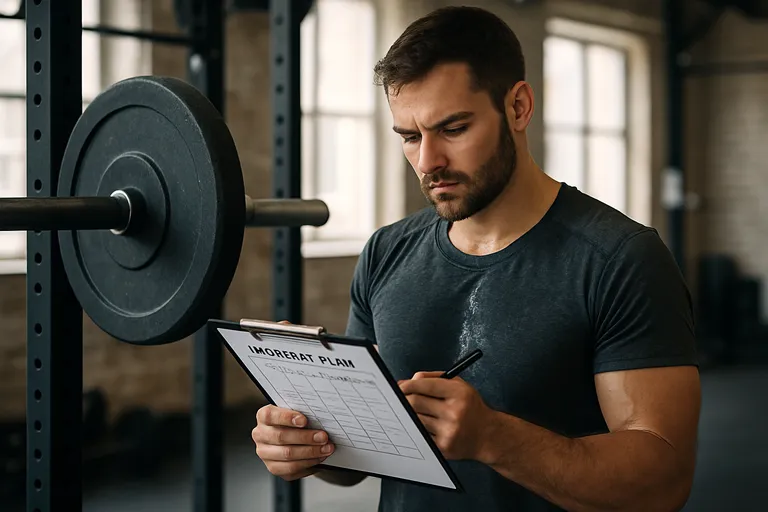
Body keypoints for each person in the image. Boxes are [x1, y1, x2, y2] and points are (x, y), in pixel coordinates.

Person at [251, 5, 701, 512]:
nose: (428, 162)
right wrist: (308, 444)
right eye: (410, 137)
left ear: (519, 107)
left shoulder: (621, 260)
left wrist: (494, 438)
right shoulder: (386, 252)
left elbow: (663, 482)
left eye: (454, 128)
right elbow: (361, 459)